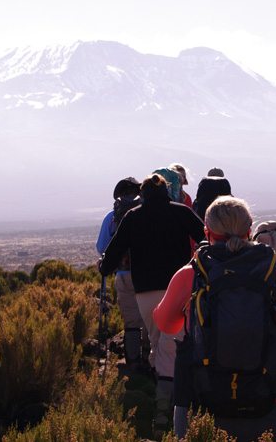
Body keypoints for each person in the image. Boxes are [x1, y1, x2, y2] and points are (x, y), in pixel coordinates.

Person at [154, 196, 276, 441]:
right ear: (249, 231)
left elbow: (166, 323)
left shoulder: (191, 276)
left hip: (203, 410)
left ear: (207, 232)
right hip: (268, 408)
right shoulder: (275, 278)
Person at [99, 173, 205, 434]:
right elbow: (205, 238)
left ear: (144, 194)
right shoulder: (181, 212)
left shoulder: (133, 216)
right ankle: (166, 414)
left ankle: (164, 407)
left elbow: (113, 252)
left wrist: (104, 267)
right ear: (166, 191)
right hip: (178, 288)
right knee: (172, 345)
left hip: (144, 292)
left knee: (160, 343)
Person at [95, 177, 148, 368]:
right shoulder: (148, 212)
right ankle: (149, 360)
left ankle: (133, 363)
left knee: (132, 321)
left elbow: (102, 247)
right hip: (149, 273)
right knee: (150, 318)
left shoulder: (113, 216)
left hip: (124, 274)